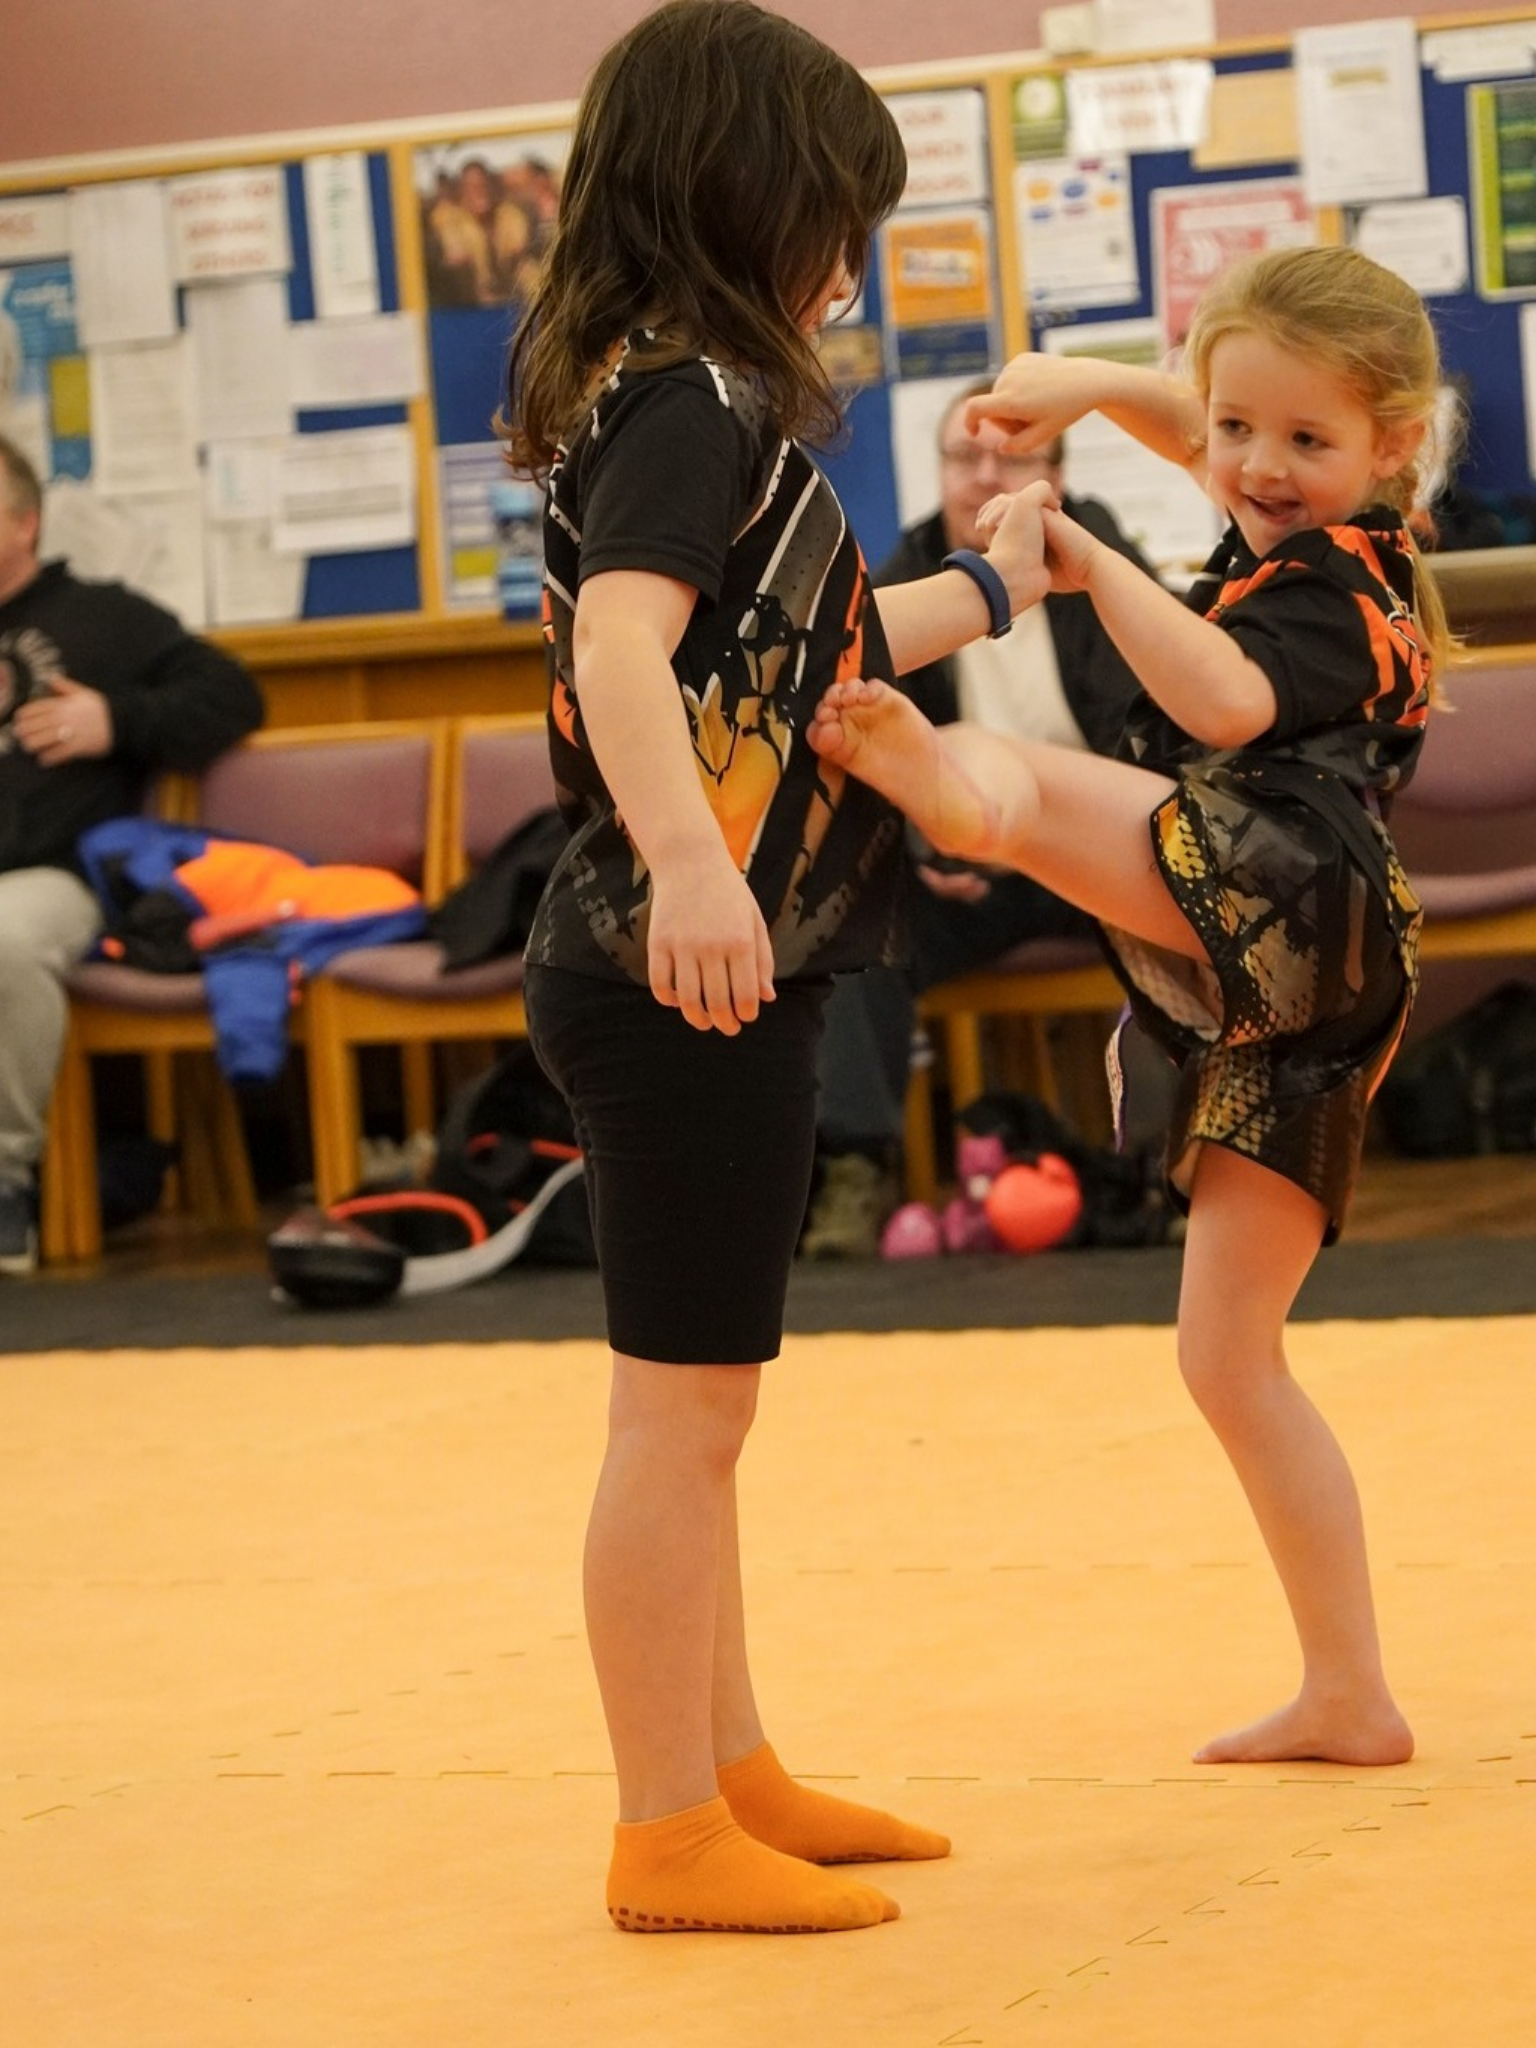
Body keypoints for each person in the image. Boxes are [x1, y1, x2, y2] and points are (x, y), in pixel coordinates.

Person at [502, 0, 1051, 1934]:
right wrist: (686, 866)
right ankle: (664, 1824)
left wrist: (994, 584)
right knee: (682, 1412)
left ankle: (726, 1767)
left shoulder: (696, 400)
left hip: (721, 956)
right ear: (745, 200)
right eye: (835, 222)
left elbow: (796, 647)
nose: (847, 267)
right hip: (672, 966)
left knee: (705, 1402)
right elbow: (620, 651)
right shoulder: (690, 397)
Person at [811, 244, 1451, 1767]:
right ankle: (1349, 1690)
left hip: (1287, 890)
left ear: (1390, 448)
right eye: (1236, 428)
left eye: (1304, 439)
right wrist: (1097, 389)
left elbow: (1222, 700)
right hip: (1305, 967)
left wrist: (1089, 562)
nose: (1256, 466)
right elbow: (1216, 431)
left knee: (1024, 786)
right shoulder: (1315, 507)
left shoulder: (1342, 580)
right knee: (1227, 1357)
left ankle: (957, 801)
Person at [800, 380, 1152, 1255]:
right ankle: (854, 1169)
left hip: (1099, 851)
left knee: (1200, 894)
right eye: (965, 457)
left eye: (1013, 458)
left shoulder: (1104, 564)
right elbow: (869, 751)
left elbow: (1150, 739)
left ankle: (1176, 1172)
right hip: (971, 868)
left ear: (1056, 478)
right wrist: (928, 843)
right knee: (850, 913)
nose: (985, 477)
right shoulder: (904, 580)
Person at [0, 430, 264, 1275]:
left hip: (34, 888)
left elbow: (233, 694)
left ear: (25, 523)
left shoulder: (101, 618)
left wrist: (114, 720)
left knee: (2, 938)